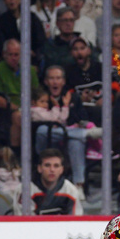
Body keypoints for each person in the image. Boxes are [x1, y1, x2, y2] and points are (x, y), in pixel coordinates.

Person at [32, 64, 89, 193]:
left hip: (67, 140)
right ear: (46, 81)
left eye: (58, 78)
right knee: (42, 130)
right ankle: (84, 134)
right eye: (51, 78)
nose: (55, 82)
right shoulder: (41, 97)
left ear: (63, 81)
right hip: (46, 141)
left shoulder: (72, 97)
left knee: (76, 143)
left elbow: (82, 118)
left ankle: (78, 185)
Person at [29, 148, 83, 215]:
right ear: (39, 168)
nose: (52, 170)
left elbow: (75, 221)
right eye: (47, 165)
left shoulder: (71, 191)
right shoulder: (26, 190)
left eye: (56, 166)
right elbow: (23, 222)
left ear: (61, 170)